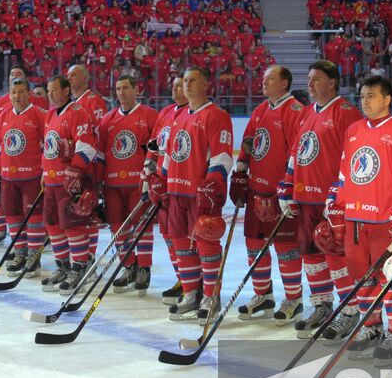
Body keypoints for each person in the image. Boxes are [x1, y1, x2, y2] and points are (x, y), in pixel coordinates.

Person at [324, 74, 392, 363]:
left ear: (387, 99)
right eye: (362, 96)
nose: (365, 101)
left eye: (371, 96)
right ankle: (370, 327)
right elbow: (346, 174)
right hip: (356, 220)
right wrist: (336, 204)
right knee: (362, 276)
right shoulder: (354, 130)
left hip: (387, 220)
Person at [277, 59, 362, 336]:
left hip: (331, 202)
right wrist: (288, 187)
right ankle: (322, 304)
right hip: (304, 198)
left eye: (316, 79)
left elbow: (354, 159)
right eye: (309, 79)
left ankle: (349, 310)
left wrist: (342, 196)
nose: (310, 84)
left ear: (332, 82)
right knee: (311, 256)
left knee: (336, 257)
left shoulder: (346, 112)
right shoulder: (305, 113)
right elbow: (295, 153)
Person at [147, 65, 234, 322]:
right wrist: (161, 179)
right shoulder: (179, 115)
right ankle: (190, 293)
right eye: (185, 80)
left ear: (206, 84)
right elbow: (170, 153)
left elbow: (222, 156)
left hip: (199, 193)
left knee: (206, 242)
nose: (187, 84)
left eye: (193, 80)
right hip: (176, 190)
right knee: (181, 243)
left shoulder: (216, 115)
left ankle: (210, 296)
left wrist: (213, 183)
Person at [231, 65, 305, 323]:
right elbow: (248, 143)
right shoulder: (261, 110)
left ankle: (293, 299)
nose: (264, 82)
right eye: (263, 78)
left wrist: (289, 187)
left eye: (270, 78)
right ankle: (263, 295)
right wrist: (240, 172)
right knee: (254, 246)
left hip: (281, 194)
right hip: (255, 190)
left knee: (286, 248)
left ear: (284, 83)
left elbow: (298, 154)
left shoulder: (295, 111)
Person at [39, 74, 101, 293]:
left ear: (66, 90)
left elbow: (87, 145)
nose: (51, 94)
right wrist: (44, 172)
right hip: (52, 181)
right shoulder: (50, 115)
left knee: (73, 226)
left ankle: (79, 267)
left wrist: (74, 170)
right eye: (48, 90)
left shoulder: (77, 113)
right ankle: (63, 266)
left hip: (69, 182)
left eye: (54, 89)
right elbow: (48, 147)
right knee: (53, 224)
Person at [99, 74, 158, 293]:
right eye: (118, 89)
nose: (121, 93)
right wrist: (98, 181)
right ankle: (129, 265)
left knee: (142, 225)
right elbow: (101, 153)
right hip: (112, 184)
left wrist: (152, 174)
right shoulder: (108, 119)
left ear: (136, 90)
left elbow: (159, 149)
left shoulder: (150, 116)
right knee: (117, 227)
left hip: (138, 184)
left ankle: (144, 267)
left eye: (125, 88)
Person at [0, 77, 47, 276]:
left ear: (28, 94)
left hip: (32, 176)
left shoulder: (39, 115)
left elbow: (48, 146)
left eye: (21, 92)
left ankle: (33, 257)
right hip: (9, 177)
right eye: (14, 93)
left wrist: (45, 171)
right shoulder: (2, 116)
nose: (17, 96)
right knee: (13, 216)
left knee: (34, 218)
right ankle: (20, 253)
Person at [151, 77, 191, 305]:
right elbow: (154, 144)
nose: (175, 89)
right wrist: (149, 170)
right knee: (168, 236)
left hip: (180, 185)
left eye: (180, 85)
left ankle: (194, 282)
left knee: (184, 237)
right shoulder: (165, 112)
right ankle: (182, 279)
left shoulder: (192, 114)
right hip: (162, 184)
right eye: (173, 86)